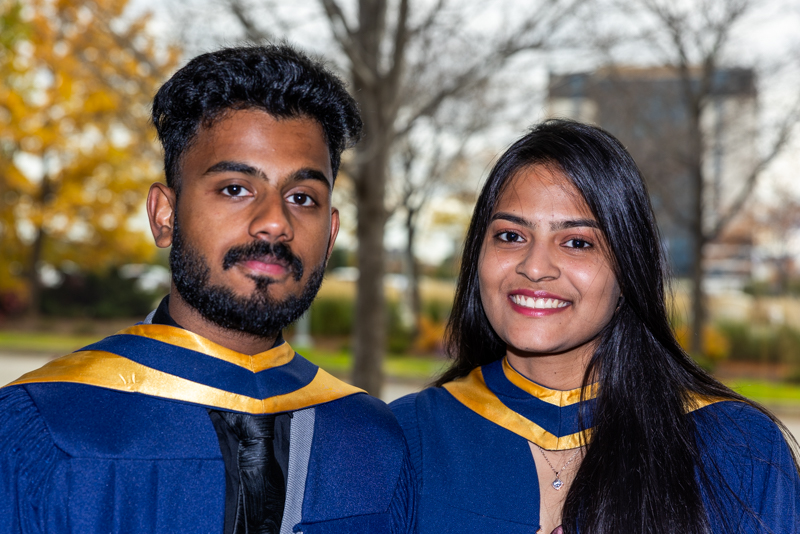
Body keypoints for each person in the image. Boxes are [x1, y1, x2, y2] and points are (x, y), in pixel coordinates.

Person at [0, 45, 413, 534]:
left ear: (331, 234)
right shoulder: (48, 425)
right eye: (235, 188)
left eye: (302, 197)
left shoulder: (371, 441)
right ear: (164, 216)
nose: (275, 222)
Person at [391, 119, 800, 533]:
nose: (534, 267)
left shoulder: (737, 448)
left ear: (628, 270)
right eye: (511, 236)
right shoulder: (407, 438)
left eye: (578, 243)